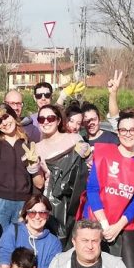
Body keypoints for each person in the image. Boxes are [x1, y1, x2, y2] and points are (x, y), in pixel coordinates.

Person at [83, 110, 134, 268]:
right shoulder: (103, 151)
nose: (128, 134)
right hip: (96, 220)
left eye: (132, 130)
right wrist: (104, 225)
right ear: (118, 133)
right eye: (123, 130)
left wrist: (118, 226)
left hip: (123, 224)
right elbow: (92, 189)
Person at [0, 105, 40, 235]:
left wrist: (33, 201)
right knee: (0, 244)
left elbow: (34, 176)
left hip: (24, 201)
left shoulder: (28, 143)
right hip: (0, 201)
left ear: (14, 116)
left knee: (21, 243)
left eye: (6, 117)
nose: (4, 123)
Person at [34, 105, 92, 244]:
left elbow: (89, 169)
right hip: (54, 203)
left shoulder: (74, 138)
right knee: (57, 241)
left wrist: (88, 155)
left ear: (59, 120)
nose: (46, 122)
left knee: (78, 239)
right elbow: (39, 184)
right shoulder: (37, 148)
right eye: (41, 119)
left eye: (50, 118)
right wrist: (33, 168)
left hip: (77, 199)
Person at [0, 195, 63, 268]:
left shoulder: (54, 243)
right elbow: (4, 267)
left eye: (42, 213)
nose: (37, 217)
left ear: (47, 216)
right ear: (26, 215)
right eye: (32, 212)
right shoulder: (13, 231)